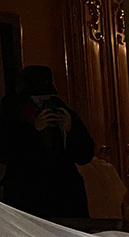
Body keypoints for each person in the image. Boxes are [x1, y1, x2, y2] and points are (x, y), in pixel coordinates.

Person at [0, 64, 95, 219]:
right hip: (27, 198)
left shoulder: (59, 109)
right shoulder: (11, 113)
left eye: (46, 94)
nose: (43, 99)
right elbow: (6, 153)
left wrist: (70, 130)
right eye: (37, 95)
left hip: (64, 198)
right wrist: (33, 130)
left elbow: (85, 155)